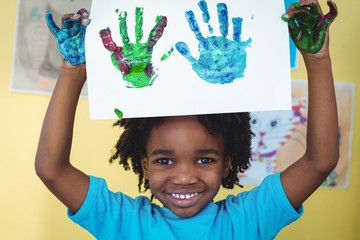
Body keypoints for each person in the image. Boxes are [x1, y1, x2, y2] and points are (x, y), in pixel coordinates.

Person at [35, 1, 339, 239]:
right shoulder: (124, 223)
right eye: (164, 161)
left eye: (205, 160)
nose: (184, 177)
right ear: (144, 163)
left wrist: (317, 60)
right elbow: (52, 170)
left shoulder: (248, 220)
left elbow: (319, 162)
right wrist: (73, 72)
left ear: (228, 162)